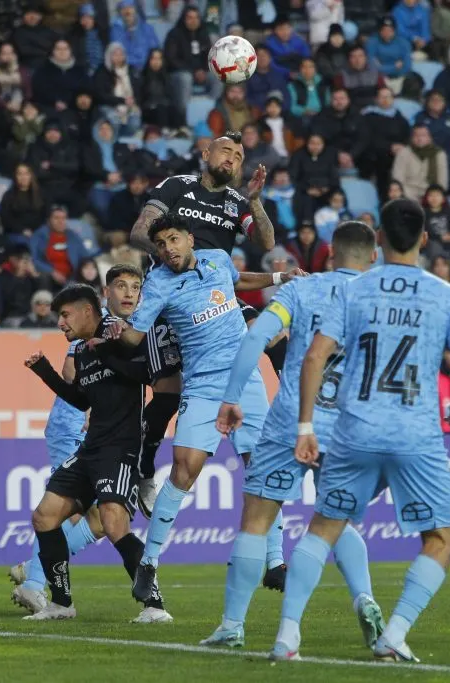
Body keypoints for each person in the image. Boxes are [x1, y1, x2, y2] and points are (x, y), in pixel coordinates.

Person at [273, 198, 450, 662]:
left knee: (324, 527)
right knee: (442, 537)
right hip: (416, 434)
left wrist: (306, 425)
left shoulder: (354, 291)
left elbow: (313, 357)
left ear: (381, 240)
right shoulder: (446, 295)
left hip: (354, 430)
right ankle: (395, 632)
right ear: (425, 239)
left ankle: (287, 636)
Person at [101, 212, 301, 603]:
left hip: (246, 381)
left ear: (190, 239)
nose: (167, 249)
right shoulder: (158, 284)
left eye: (173, 240)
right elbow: (135, 335)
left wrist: (279, 279)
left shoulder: (217, 260)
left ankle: (276, 564)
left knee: (261, 468)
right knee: (183, 469)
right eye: (160, 245)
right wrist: (113, 333)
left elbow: (238, 280)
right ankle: (149, 562)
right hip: (204, 385)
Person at [203, 221, 384, 648]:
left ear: (330, 254)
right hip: (348, 428)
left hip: (289, 421)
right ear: (373, 256)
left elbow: (257, 338)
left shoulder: (301, 291)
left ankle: (232, 626)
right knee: (333, 519)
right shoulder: (381, 301)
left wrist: (232, 396)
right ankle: (364, 597)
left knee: (256, 521)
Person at [128, 133, 277, 509]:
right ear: (206, 152)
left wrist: (256, 202)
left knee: (271, 335)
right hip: (171, 300)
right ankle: (145, 468)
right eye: (226, 151)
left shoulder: (236, 201)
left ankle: (299, 414)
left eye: (239, 157)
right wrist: (174, 261)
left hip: (215, 294)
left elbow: (267, 243)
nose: (232, 160)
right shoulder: (177, 186)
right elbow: (140, 231)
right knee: (168, 393)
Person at [20, 282, 172, 624]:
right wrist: (44, 371)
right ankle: (61, 603)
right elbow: (81, 400)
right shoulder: (83, 349)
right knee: (44, 516)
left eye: (65, 314)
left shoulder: (120, 333)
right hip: (92, 448)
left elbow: (145, 375)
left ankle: (155, 605)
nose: (60, 322)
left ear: (87, 310)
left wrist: (106, 349)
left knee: (113, 522)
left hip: (121, 447)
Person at [8, 264, 138, 610]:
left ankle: (36, 573)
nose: (128, 293)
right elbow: (73, 371)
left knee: (98, 520)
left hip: (97, 429)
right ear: (105, 294)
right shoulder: (97, 328)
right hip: (78, 427)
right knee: (71, 512)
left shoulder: (120, 328)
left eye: (134, 287)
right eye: (121, 286)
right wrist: (92, 406)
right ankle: (36, 581)